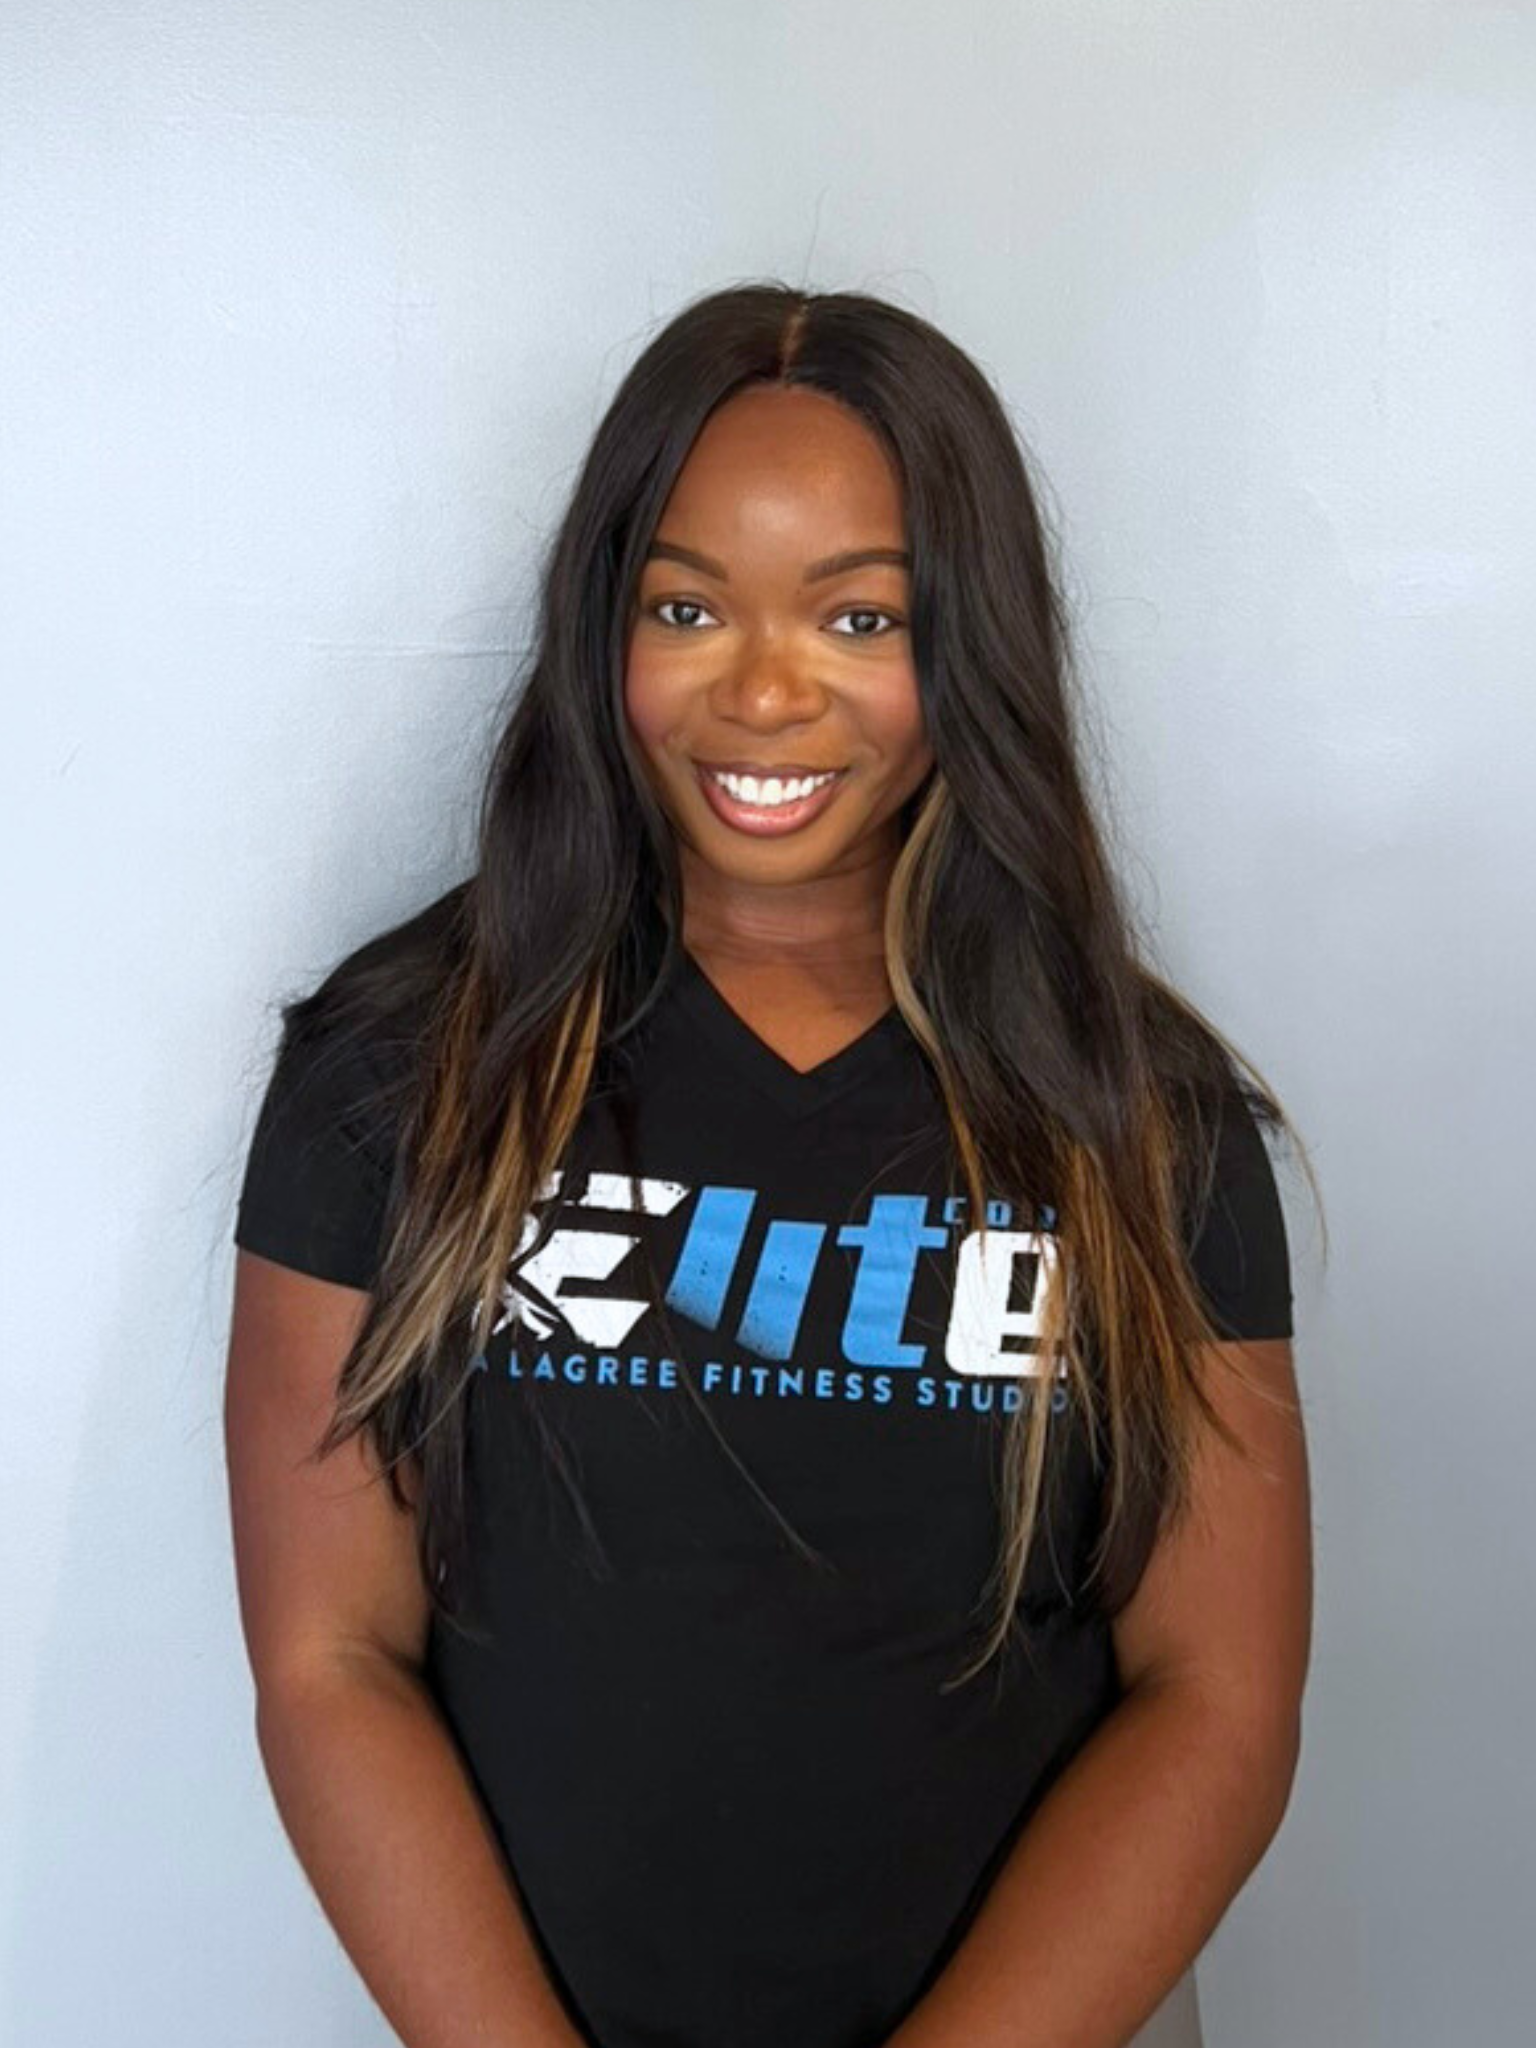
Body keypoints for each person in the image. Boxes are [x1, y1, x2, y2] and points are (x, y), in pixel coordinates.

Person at [225, 282, 1318, 2048]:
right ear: (606, 630)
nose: (761, 690)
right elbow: (327, 1660)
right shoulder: (401, 1071)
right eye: (685, 604)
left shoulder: (1139, 1115)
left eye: (859, 615)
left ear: (965, 642)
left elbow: (1220, 1699)